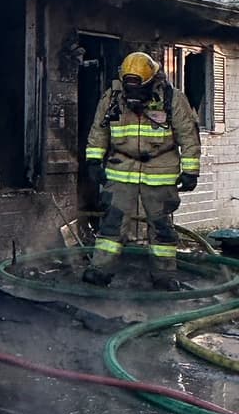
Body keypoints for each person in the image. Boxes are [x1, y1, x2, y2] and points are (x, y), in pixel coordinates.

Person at [84, 51, 201, 291]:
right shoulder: (112, 98)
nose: (133, 94)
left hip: (160, 170)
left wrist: (191, 171)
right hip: (121, 168)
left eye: (139, 88)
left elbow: (189, 136)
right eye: (129, 88)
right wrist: (93, 161)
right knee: (112, 223)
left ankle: (164, 276)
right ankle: (100, 271)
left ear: (151, 81)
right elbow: (99, 130)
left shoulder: (172, 99)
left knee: (161, 227)